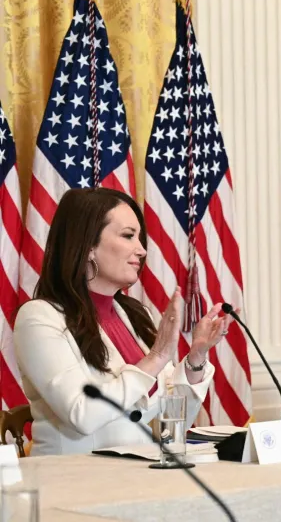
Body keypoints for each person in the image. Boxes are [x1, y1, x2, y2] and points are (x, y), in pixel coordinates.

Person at [14, 188, 230, 455]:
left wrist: (196, 357)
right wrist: (157, 357)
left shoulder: (136, 315)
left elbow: (172, 424)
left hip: (142, 477)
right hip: (73, 482)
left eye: (140, 239)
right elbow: (82, 414)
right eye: (128, 236)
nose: (141, 250)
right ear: (88, 246)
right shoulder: (39, 317)